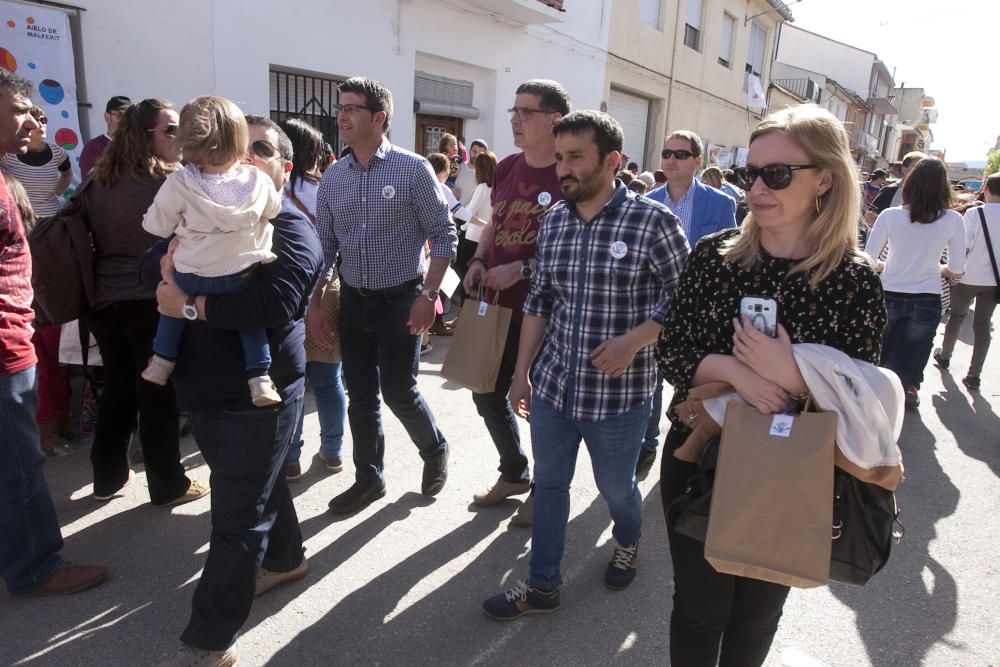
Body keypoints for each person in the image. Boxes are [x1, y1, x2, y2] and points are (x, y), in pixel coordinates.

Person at [656, 104, 886, 666]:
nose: (757, 187)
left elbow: (861, 398)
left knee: (757, 614)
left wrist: (790, 372)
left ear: (824, 178)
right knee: (698, 608)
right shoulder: (714, 258)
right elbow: (671, 352)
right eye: (749, 173)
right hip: (702, 454)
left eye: (777, 174)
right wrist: (735, 371)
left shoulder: (854, 280)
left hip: (797, 469)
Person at [482, 110, 688, 619]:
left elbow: (686, 295)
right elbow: (540, 302)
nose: (563, 169)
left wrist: (636, 340)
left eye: (576, 157)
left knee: (616, 488)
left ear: (612, 161)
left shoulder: (654, 222)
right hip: (554, 385)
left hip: (618, 395)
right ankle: (542, 586)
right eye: (560, 158)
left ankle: (628, 538)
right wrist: (521, 373)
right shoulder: (552, 222)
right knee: (549, 485)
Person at [150, 114, 322, 666]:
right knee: (251, 483)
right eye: (235, 148)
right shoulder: (194, 215)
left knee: (235, 516)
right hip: (200, 387)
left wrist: (190, 304)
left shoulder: (291, 227)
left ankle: (209, 641)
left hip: (259, 397)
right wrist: (165, 277)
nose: (243, 159)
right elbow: (144, 267)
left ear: (284, 169)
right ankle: (289, 557)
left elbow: (275, 304)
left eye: (261, 150)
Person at [313, 77, 456, 515]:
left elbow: (445, 235)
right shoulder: (334, 176)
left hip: (402, 300)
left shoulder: (412, 169)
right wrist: (315, 303)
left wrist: (428, 295)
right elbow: (325, 246)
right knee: (360, 393)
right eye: (340, 107)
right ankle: (368, 479)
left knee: (398, 390)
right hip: (354, 301)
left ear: (380, 118)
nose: (341, 115)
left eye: (352, 108)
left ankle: (434, 449)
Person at [0, 67, 106, 597]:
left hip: (15, 335)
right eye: (19, 108)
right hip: (4, 348)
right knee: (19, 464)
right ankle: (37, 567)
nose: (30, 119)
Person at [84, 98, 207, 505]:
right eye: (169, 129)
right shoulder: (167, 183)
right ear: (144, 135)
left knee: (119, 385)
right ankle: (168, 483)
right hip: (148, 299)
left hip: (104, 301)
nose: (178, 136)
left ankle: (108, 475)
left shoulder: (98, 178)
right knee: (157, 390)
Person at [463, 79, 569, 527]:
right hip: (496, 305)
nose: (515, 119)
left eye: (526, 112)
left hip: (545, 312)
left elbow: (573, 251)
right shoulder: (506, 168)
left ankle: (545, 491)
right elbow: (493, 222)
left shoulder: (570, 173)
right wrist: (481, 258)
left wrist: (522, 269)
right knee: (484, 391)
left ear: (554, 120)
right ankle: (515, 472)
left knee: (540, 408)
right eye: (514, 110)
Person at [141, 96, 283, 407]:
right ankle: (259, 377)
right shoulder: (257, 179)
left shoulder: (179, 182)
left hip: (192, 274)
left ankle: (162, 359)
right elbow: (273, 210)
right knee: (249, 321)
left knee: (170, 306)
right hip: (239, 275)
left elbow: (155, 226)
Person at [642, 129, 737, 476]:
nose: (671, 160)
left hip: (700, 311)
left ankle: (691, 442)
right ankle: (648, 443)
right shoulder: (648, 202)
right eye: (667, 153)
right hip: (655, 308)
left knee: (690, 383)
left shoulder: (721, 203)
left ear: (698, 161)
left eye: (681, 155)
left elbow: (731, 260)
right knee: (650, 378)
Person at [865, 156, 965, 408]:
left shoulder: (889, 216)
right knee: (909, 355)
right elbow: (956, 269)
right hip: (927, 297)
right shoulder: (953, 220)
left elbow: (868, 259)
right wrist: (933, 268)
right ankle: (897, 400)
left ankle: (873, 402)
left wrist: (887, 266)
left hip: (888, 292)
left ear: (910, 183)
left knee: (880, 351)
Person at [278, 118, 347, 481]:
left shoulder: (268, 188)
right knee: (328, 378)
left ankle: (290, 458)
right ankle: (333, 451)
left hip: (283, 291)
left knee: (289, 383)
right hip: (325, 286)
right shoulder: (325, 190)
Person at [934, 172, 1000, 390]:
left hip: (967, 276)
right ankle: (974, 375)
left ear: (986, 190)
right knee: (982, 326)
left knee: (957, 317)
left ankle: (945, 356)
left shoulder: (974, 214)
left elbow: (964, 246)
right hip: (994, 282)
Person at [0, 105, 72, 218]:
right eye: (34, 120)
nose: (40, 125)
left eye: (43, 120)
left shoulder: (58, 153)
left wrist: (58, 193)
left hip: (52, 222)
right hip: (22, 222)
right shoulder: (9, 153)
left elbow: (67, 174)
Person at [865, 151, 925, 226]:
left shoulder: (924, 196)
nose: (920, 170)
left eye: (922, 168)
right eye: (915, 166)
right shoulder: (890, 190)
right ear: (904, 169)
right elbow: (869, 216)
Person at [79, 95, 130, 175]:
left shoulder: (138, 145)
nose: (125, 120)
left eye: (128, 117)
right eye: (120, 116)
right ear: (107, 117)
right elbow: (89, 184)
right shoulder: (92, 147)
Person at [454, 138, 489, 205]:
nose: (476, 156)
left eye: (480, 154)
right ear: (470, 150)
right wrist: (450, 190)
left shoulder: (485, 176)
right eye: (474, 151)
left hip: (469, 215)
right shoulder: (458, 167)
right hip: (450, 213)